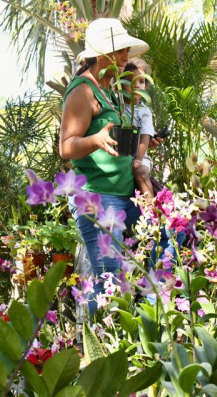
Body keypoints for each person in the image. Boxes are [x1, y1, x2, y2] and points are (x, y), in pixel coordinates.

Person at [59, 18, 150, 277]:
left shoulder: (109, 91)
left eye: (126, 50)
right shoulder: (83, 91)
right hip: (97, 197)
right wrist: (95, 140)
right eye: (120, 50)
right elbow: (65, 147)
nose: (126, 57)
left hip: (126, 194)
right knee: (109, 278)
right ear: (101, 55)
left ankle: (153, 302)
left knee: (166, 238)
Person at [123, 58, 157, 198]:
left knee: (141, 175)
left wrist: (138, 159)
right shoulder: (116, 104)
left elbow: (145, 137)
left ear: (146, 86)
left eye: (141, 81)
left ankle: (151, 208)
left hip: (140, 156)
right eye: (131, 81)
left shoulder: (144, 112)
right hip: (121, 156)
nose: (136, 85)